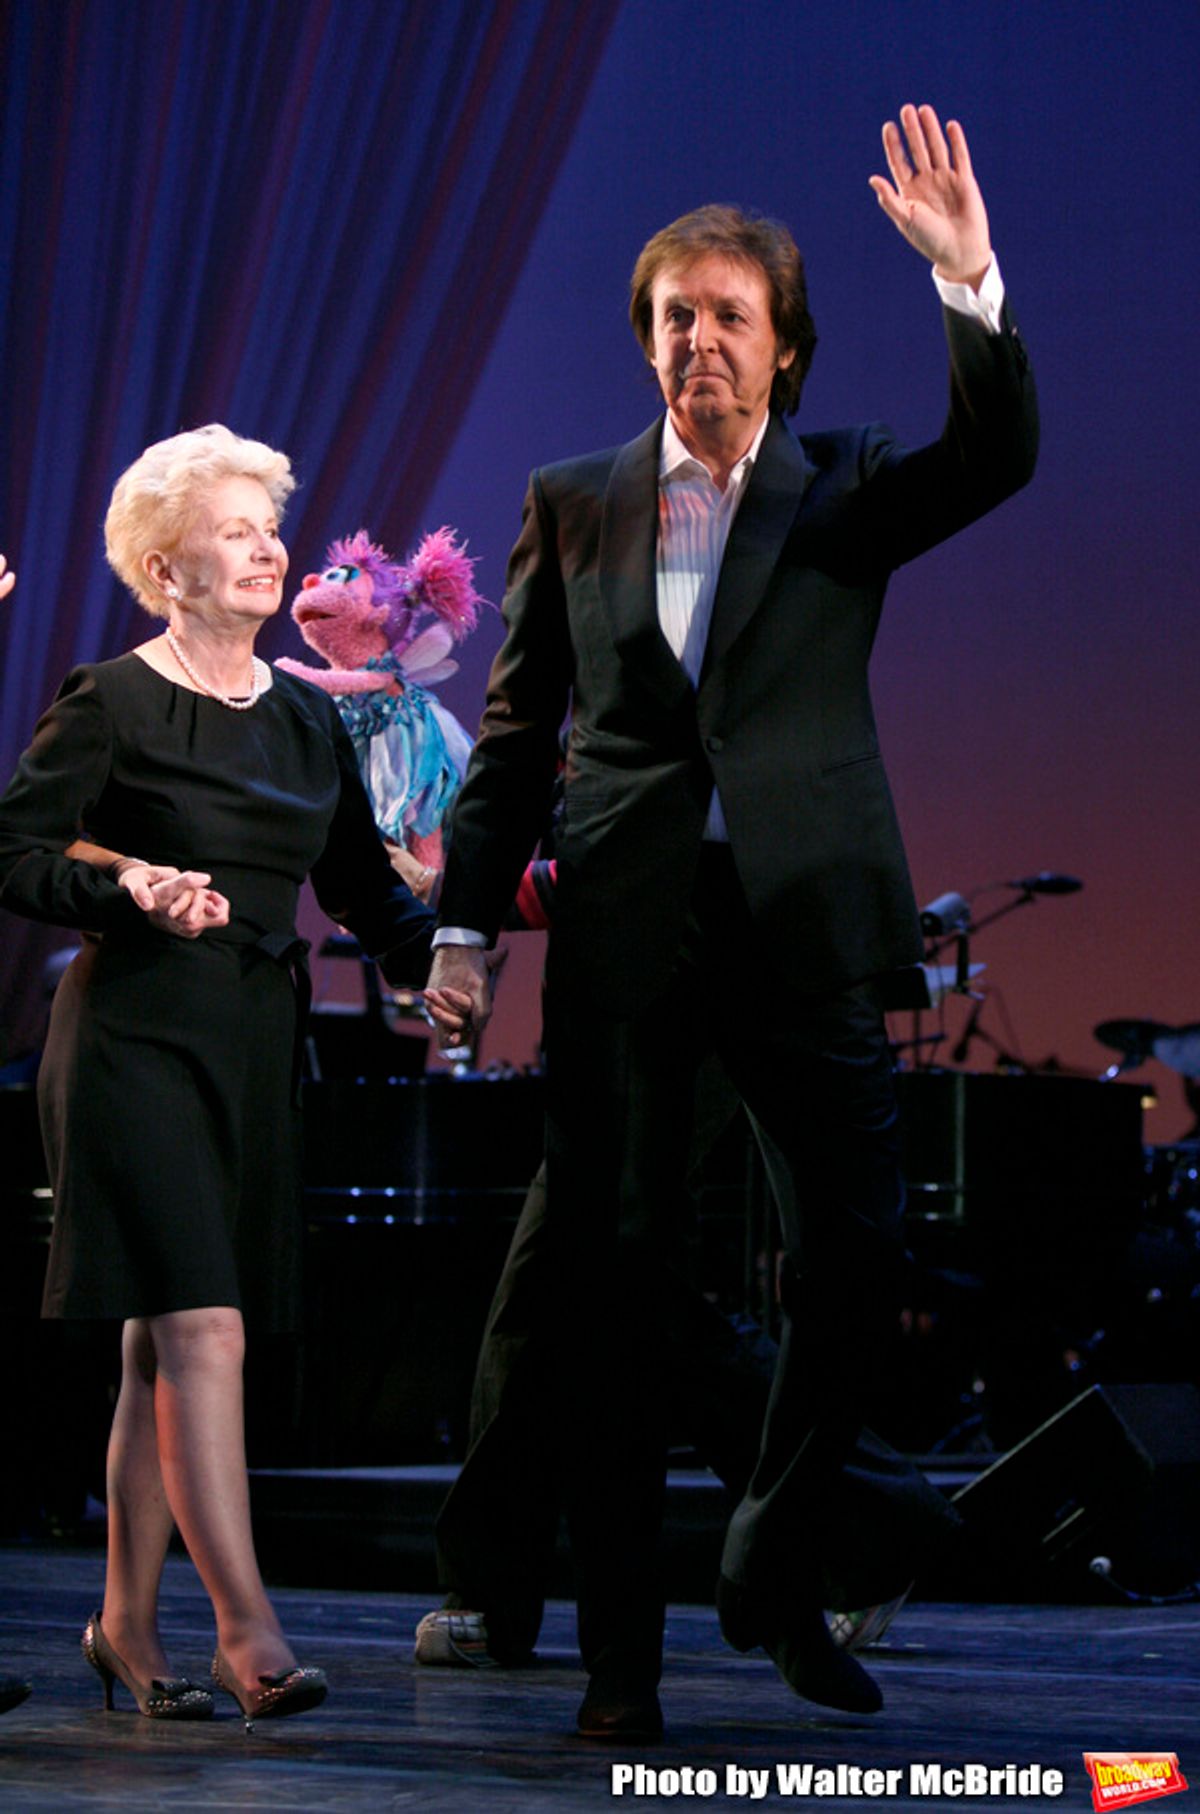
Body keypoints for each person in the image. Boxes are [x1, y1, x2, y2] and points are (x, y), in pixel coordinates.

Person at [424, 103, 1038, 1738]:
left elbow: (998, 457)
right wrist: (466, 933)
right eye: (674, 317)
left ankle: (770, 1559)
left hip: (802, 928)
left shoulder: (844, 488)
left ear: (783, 350)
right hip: (630, 940)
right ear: (648, 344)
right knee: (617, 1295)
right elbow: (509, 742)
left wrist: (968, 275)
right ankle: (622, 1666)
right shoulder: (575, 499)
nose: (699, 339)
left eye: (729, 316)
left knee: (858, 1263)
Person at [0, 433, 464, 1723]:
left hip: (256, 1042)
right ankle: (246, 1631)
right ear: (168, 568)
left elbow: (362, 891)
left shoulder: (310, 714)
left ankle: (124, 1626)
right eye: (238, 529)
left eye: (272, 525)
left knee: (164, 1341)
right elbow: (18, 852)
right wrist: (127, 883)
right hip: (134, 1039)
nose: (270, 547)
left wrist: (440, 956)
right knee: (207, 1328)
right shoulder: (110, 699)